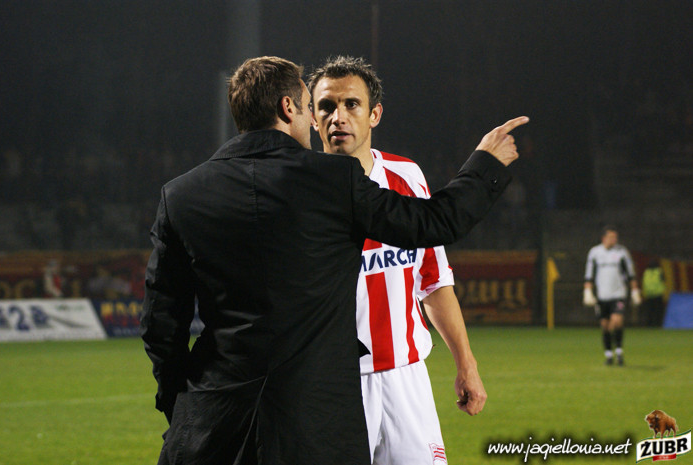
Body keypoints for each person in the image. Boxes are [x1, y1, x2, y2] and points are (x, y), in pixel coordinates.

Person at [141, 55, 528, 465]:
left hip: (215, 413)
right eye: (314, 106)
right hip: (317, 408)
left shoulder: (180, 195)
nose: (324, 118)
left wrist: (181, 406)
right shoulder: (331, 179)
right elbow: (435, 222)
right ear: (289, 108)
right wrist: (485, 164)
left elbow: (161, 323)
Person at [308, 56, 485, 465]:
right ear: (313, 119)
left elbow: (433, 281)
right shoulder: (299, 189)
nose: (338, 116)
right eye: (327, 107)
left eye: (351, 104)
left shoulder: (407, 177)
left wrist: (466, 363)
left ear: (374, 114)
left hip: (406, 377)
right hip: (333, 383)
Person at [583, 225, 641, 365]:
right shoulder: (595, 253)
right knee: (605, 325)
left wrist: (635, 291)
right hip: (602, 296)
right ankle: (609, 354)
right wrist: (587, 291)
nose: (614, 240)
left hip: (618, 294)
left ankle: (619, 351)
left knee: (617, 321)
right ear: (603, 238)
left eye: (615, 237)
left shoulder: (622, 252)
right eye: (611, 237)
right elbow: (589, 274)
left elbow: (630, 273)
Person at [641, 259, 666, 326]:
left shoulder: (646, 272)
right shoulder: (659, 271)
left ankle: (648, 324)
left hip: (648, 295)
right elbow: (663, 281)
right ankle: (657, 324)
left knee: (649, 311)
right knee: (658, 311)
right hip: (658, 295)